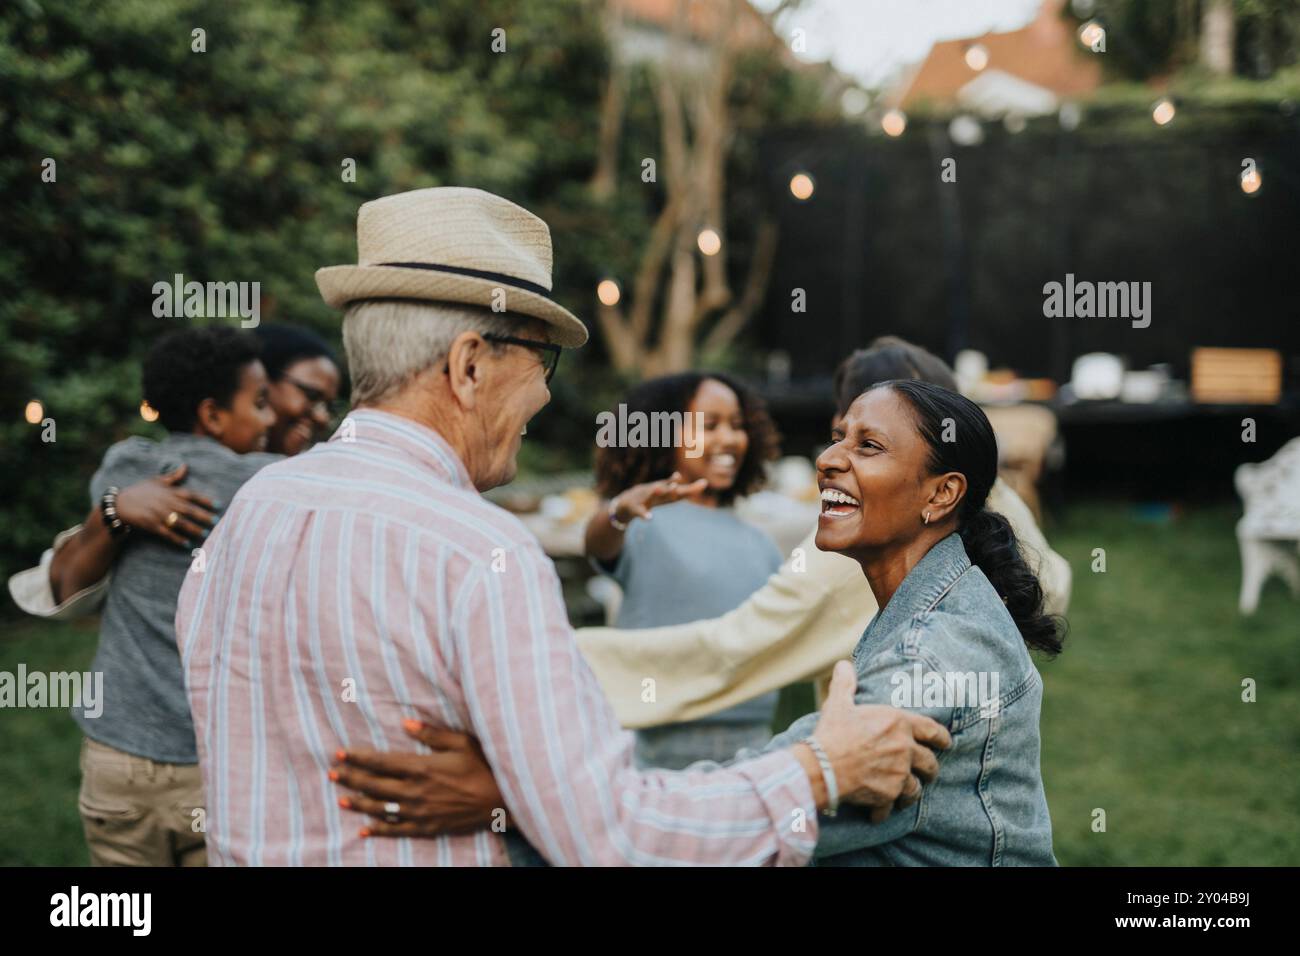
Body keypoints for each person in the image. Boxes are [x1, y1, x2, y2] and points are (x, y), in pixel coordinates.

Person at [175, 186, 952, 866]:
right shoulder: (480, 554)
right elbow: (610, 839)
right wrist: (819, 770)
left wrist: (510, 792)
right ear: (469, 365)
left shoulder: (251, 510)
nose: (545, 397)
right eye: (541, 363)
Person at [574, 337, 1071, 727]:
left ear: (943, 487)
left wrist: (554, 660)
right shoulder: (981, 528)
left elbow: (734, 653)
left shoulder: (919, 656)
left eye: (869, 443)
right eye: (839, 436)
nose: (828, 459)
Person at [48, 325, 279, 866]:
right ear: (213, 414)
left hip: (116, 756)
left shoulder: (125, 469)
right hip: (212, 764)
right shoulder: (267, 484)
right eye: (261, 403)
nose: (270, 420)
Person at [8, 322, 342, 621]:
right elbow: (64, 586)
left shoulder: (134, 464)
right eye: (310, 396)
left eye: (329, 405)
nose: (321, 417)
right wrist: (114, 510)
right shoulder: (150, 483)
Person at [585, 372, 784, 768]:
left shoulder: (759, 542)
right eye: (709, 426)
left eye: (737, 425)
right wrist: (618, 511)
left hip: (753, 744)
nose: (728, 439)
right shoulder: (641, 524)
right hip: (657, 743)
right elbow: (598, 544)